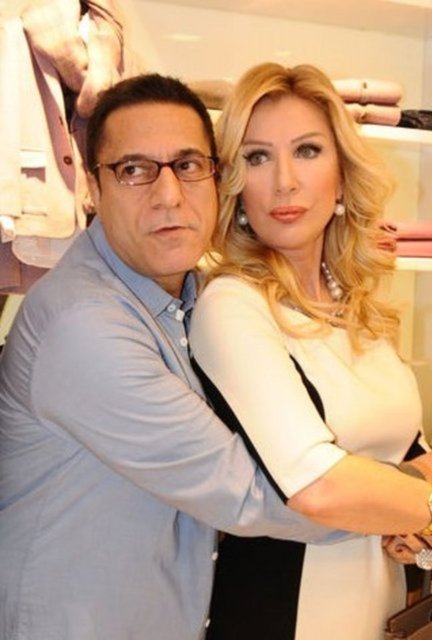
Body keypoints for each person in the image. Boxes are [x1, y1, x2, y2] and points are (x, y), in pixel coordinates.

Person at [0, 73, 346, 640]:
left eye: (187, 165)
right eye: (134, 170)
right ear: (94, 188)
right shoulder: (84, 324)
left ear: (216, 178)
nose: (168, 195)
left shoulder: (194, 296)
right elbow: (244, 492)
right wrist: (426, 511)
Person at [188, 62, 432, 640]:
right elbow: (317, 483)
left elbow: (407, 444)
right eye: (257, 157)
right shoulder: (231, 305)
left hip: (379, 607)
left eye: (307, 151)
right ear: (234, 184)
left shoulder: (353, 300)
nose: (284, 182)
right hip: (284, 613)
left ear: (343, 174)